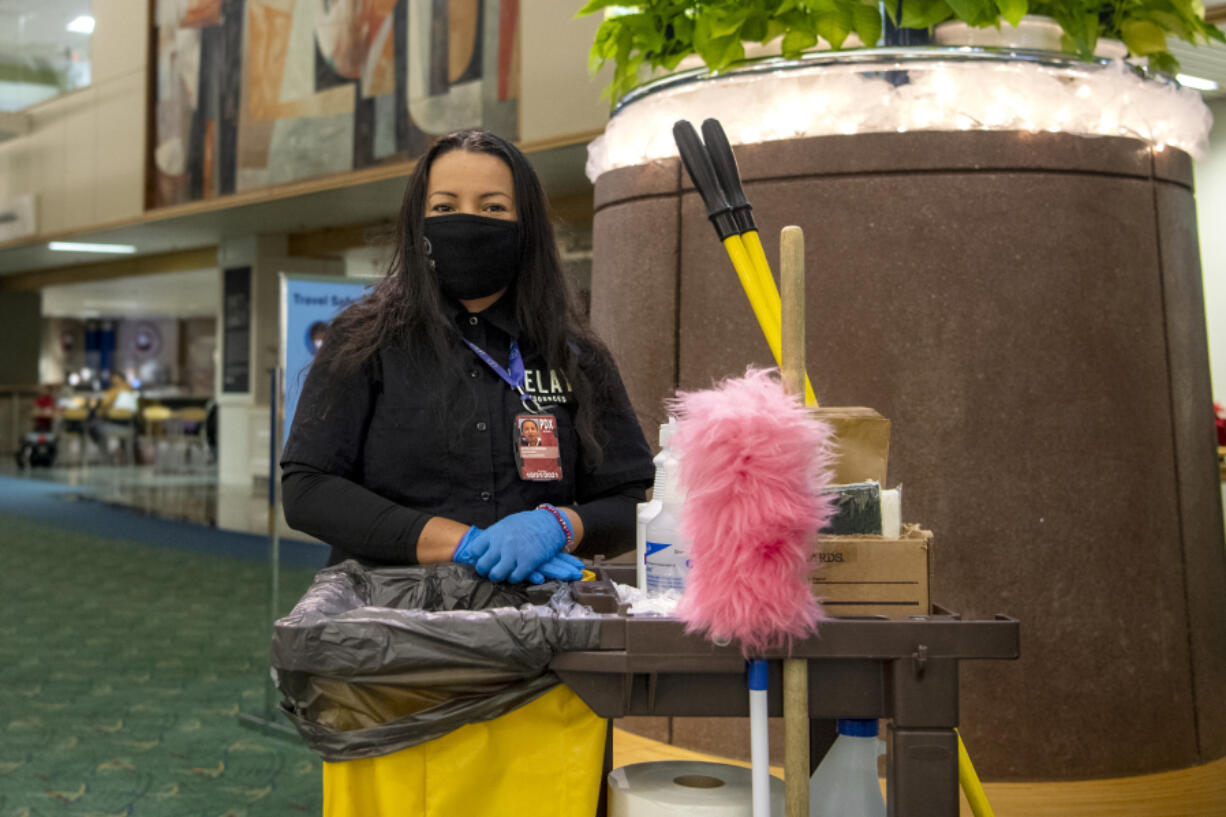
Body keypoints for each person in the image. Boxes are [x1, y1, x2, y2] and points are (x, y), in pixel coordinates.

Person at [280, 129, 654, 585]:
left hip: (539, 621)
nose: (468, 220)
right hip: (389, 622)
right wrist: (462, 543)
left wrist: (558, 526)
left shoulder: (575, 352)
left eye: (493, 207)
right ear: (418, 222)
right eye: (444, 207)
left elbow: (631, 498)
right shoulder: (363, 341)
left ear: (525, 226)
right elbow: (308, 489)